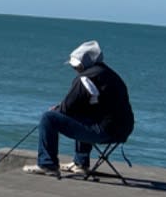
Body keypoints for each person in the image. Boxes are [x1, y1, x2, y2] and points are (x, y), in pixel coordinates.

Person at [25, 40, 135, 177]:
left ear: (82, 65)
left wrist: (56, 109)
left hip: (104, 131)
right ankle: (80, 163)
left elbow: (66, 108)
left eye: (75, 66)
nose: (75, 69)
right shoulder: (110, 75)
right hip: (123, 130)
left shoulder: (85, 78)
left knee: (48, 118)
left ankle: (47, 164)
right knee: (84, 111)